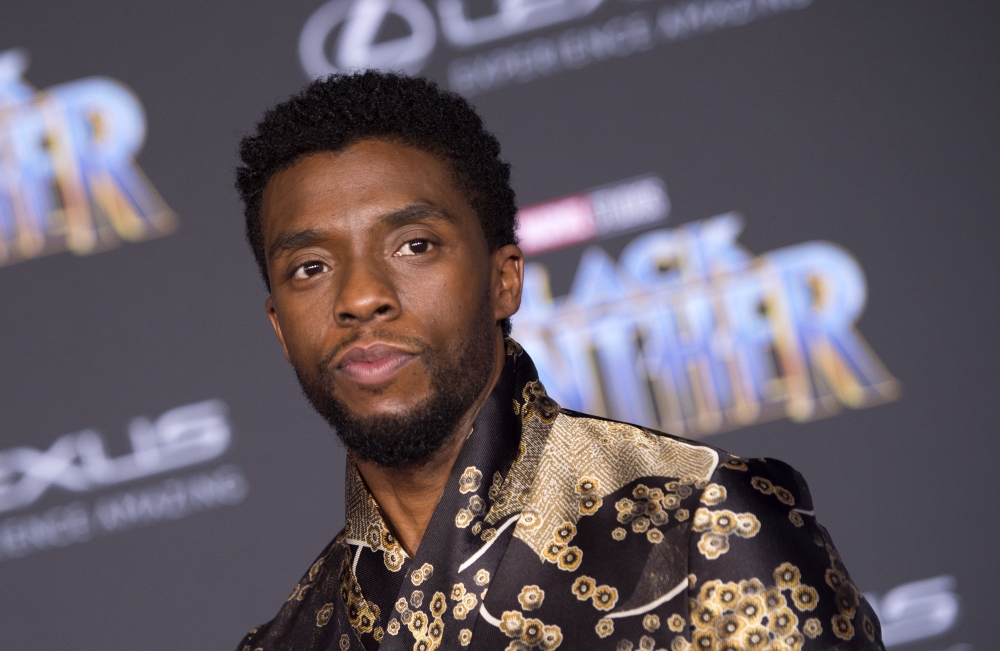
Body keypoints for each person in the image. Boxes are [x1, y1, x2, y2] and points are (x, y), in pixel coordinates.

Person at [233, 71, 883, 651]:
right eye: (310, 267)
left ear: (504, 279)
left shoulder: (705, 527)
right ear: (280, 328)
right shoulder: (291, 638)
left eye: (415, 244)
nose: (361, 296)